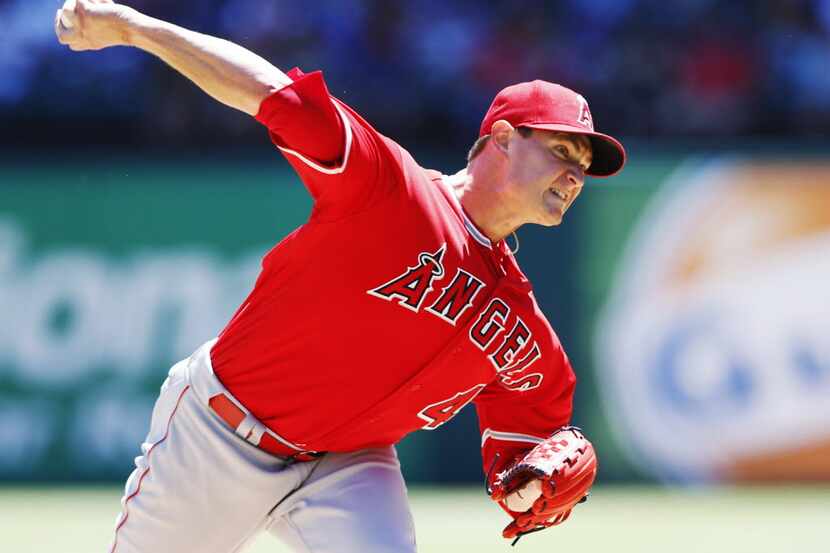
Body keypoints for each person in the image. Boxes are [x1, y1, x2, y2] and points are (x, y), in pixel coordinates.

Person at [55, 1, 626, 552]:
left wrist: (530, 488)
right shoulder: (391, 190)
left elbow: (525, 455)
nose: (574, 174)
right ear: (502, 138)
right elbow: (272, 94)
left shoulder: (525, 333)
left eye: (582, 166)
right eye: (561, 149)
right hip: (222, 434)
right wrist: (136, 28)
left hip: (350, 464)